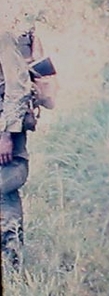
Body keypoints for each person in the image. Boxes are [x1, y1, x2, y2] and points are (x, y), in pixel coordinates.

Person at [0, 27, 56, 269]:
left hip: (4, 124)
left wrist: (6, 133)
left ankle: (11, 259)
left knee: (5, 187)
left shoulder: (3, 34)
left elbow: (18, 86)